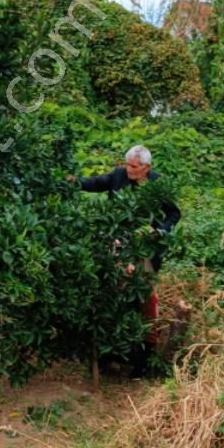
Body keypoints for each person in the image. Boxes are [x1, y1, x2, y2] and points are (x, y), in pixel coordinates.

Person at [67, 144, 181, 372]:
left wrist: (159, 231)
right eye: (128, 165)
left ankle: (144, 357)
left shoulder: (157, 184)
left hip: (144, 249)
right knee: (114, 293)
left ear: (146, 167)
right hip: (118, 245)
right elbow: (97, 183)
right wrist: (75, 182)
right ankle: (109, 354)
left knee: (145, 298)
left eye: (135, 166)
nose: (129, 169)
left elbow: (174, 213)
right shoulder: (119, 176)